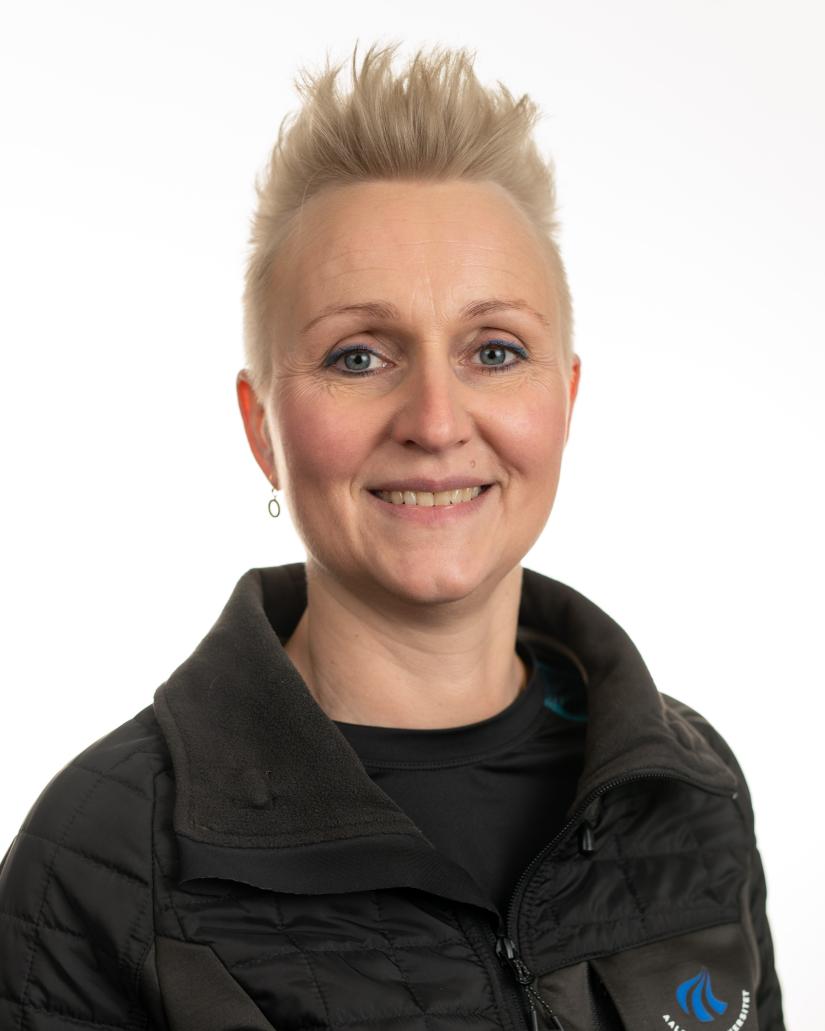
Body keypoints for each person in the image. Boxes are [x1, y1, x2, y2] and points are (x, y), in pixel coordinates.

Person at [0, 41, 784, 1031]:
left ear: (565, 398)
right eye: (359, 356)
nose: (436, 421)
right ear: (261, 426)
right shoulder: (101, 861)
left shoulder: (687, 787)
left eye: (494, 350)